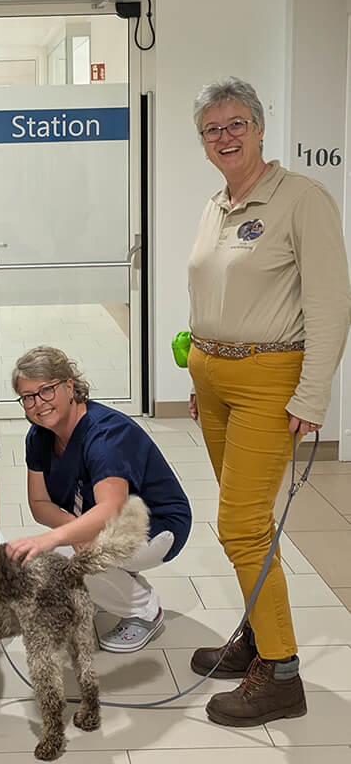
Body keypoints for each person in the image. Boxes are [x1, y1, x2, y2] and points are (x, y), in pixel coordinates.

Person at [187, 76, 351, 727]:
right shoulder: (215, 203)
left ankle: (281, 675)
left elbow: (332, 305)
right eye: (212, 129)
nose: (225, 136)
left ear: (259, 127)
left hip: (268, 381)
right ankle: (258, 640)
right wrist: (201, 379)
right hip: (216, 380)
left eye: (236, 124)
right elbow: (211, 295)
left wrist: (313, 394)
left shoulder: (302, 199)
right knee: (250, 521)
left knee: (241, 524)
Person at [5, 346, 192, 653]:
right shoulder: (39, 437)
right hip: (106, 522)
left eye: (46, 390)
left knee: (71, 553)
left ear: (68, 386)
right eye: (28, 396)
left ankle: (145, 611)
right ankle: (123, 583)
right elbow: (39, 504)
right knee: (61, 552)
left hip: (156, 525)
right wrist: (73, 530)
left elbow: (110, 509)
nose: (38, 404)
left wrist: (58, 538)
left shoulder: (105, 434)